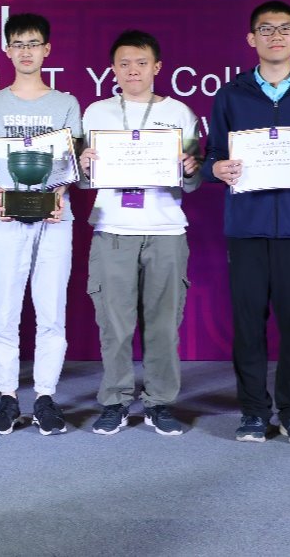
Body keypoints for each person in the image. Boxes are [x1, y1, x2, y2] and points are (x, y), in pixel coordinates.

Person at [203, 0, 290, 445]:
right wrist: (216, 169)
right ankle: (253, 412)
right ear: (252, 39)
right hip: (247, 227)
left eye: (284, 29)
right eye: (266, 29)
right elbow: (211, 157)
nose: (276, 36)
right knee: (248, 326)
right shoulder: (231, 95)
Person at [77, 30, 202, 436]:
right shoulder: (95, 114)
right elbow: (82, 179)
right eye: (125, 63)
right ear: (113, 69)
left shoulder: (180, 113)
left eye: (142, 63)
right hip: (112, 229)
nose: (133, 70)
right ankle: (115, 401)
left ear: (157, 67)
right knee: (114, 325)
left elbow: (194, 180)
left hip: (166, 229)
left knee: (164, 325)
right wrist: (84, 164)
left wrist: (190, 168)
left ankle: (160, 402)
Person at [0, 13, 81, 436]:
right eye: (18, 44)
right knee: (5, 309)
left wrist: (58, 195)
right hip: (5, 216)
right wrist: (0, 195)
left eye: (33, 44)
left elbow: (68, 162)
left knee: (51, 309)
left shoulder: (65, 103)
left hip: (55, 216)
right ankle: (6, 396)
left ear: (47, 49)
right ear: (7, 50)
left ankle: (45, 396)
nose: (26, 51)